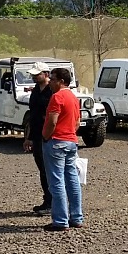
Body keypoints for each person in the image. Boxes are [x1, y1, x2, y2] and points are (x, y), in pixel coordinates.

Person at [41, 67, 83, 232]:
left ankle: (60, 220)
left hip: (56, 141)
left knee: (56, 181)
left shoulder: (57, 97)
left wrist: (45, 136)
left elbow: (52, 121)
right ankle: (76, 217)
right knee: (72, 180)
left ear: (61, 81)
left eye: (52, 79)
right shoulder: (73, 97)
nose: (50, 81)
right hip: (71, 141)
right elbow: (77, 121)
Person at [23, 62, 53, 216]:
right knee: (42, 169)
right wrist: (28, 137)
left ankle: (54, 202)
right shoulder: (35, 90)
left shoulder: (52, 91)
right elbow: (32, 115)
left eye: (37, 74)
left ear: (46, 74)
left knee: (50, 170)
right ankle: (47, 200)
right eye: (33, 74)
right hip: (36, 135)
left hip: (49, 136)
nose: (34, 76)